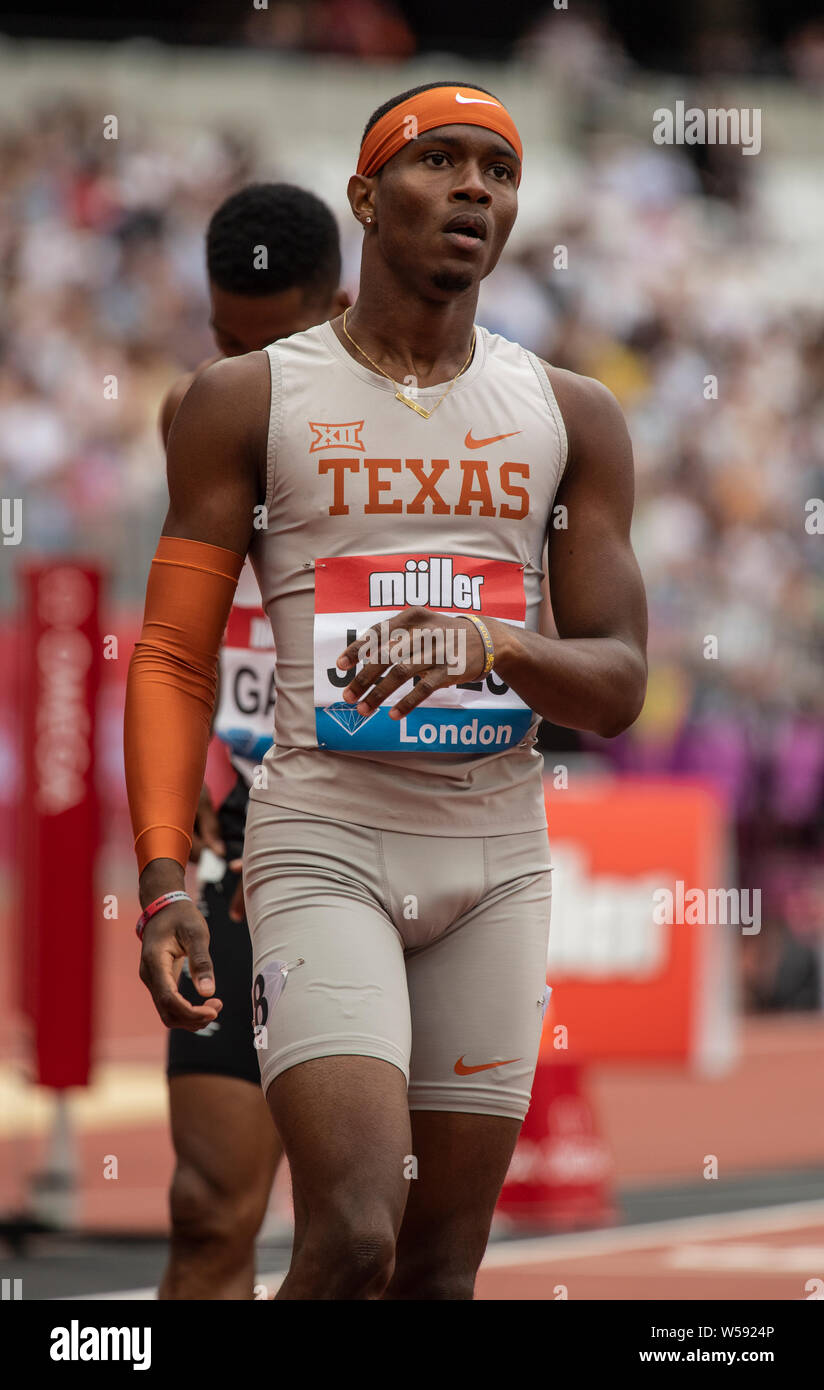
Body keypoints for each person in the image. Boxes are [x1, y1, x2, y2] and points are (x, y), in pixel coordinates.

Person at [125, 81, 648, 1300]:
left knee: (437, 1269)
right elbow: (172, 655)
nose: (472, 188)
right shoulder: (246, 398)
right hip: (321, 837)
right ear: (365, 196)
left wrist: (493, 644)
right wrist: (162, 875)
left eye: (498, 171)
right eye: (439, 161)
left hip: (495, 855)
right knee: (353, 1230)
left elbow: (618, 683)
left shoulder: (572, 414)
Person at [155, 183, 348, 1299]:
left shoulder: (427, 432)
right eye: (228, 343)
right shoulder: (196, 412)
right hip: (242, 845)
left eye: (273, 347)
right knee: (205, 1207)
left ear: (341, 308)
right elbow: (176, 643)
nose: (245, 374)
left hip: (378, 835)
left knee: (359, 1238)